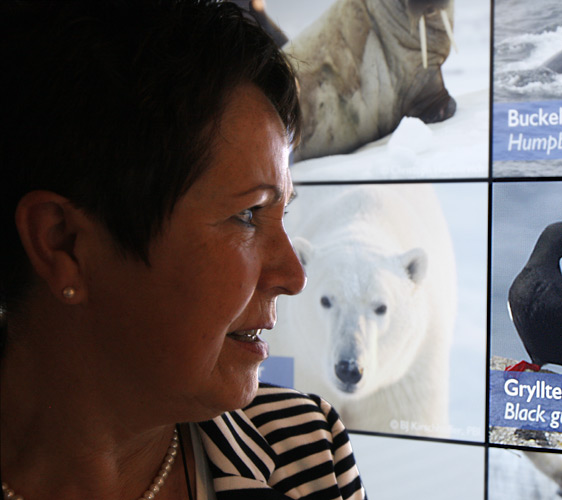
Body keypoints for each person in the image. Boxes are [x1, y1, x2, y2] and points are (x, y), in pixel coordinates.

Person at [0, 1, 366, 499]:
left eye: (284, 215)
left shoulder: (307, 453)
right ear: (62, 243)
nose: (293, 275)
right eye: (247, 215)